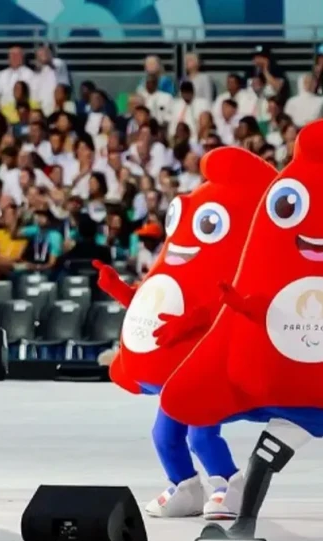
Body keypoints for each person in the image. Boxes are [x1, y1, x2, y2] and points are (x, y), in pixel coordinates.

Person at [160, 119, 323, 541]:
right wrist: (240, 304)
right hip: (301, 400)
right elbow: (265, 307)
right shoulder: (286, 266)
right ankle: (247, 522)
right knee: (273, 463)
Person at [94, 147, 277, 519]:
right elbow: (154, 304)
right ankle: (185, 486)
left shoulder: (228, 266)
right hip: (176, 370)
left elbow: (221, 308)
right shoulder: (177, 261)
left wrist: (188, 323)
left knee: (201, 434)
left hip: (203, 369)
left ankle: (229, 484)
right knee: (164, 435)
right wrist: (118, 289)